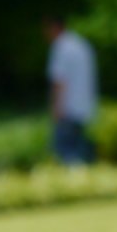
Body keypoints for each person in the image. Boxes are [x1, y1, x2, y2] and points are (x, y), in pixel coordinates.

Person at [43, 14, 98, 165]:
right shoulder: (81, 44)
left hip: (68, 107)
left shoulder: (61, 47)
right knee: (79, 147)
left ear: (54, 27)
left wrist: (56, 107)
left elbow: (59, 80)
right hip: (84, 105)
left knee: (65, 150)